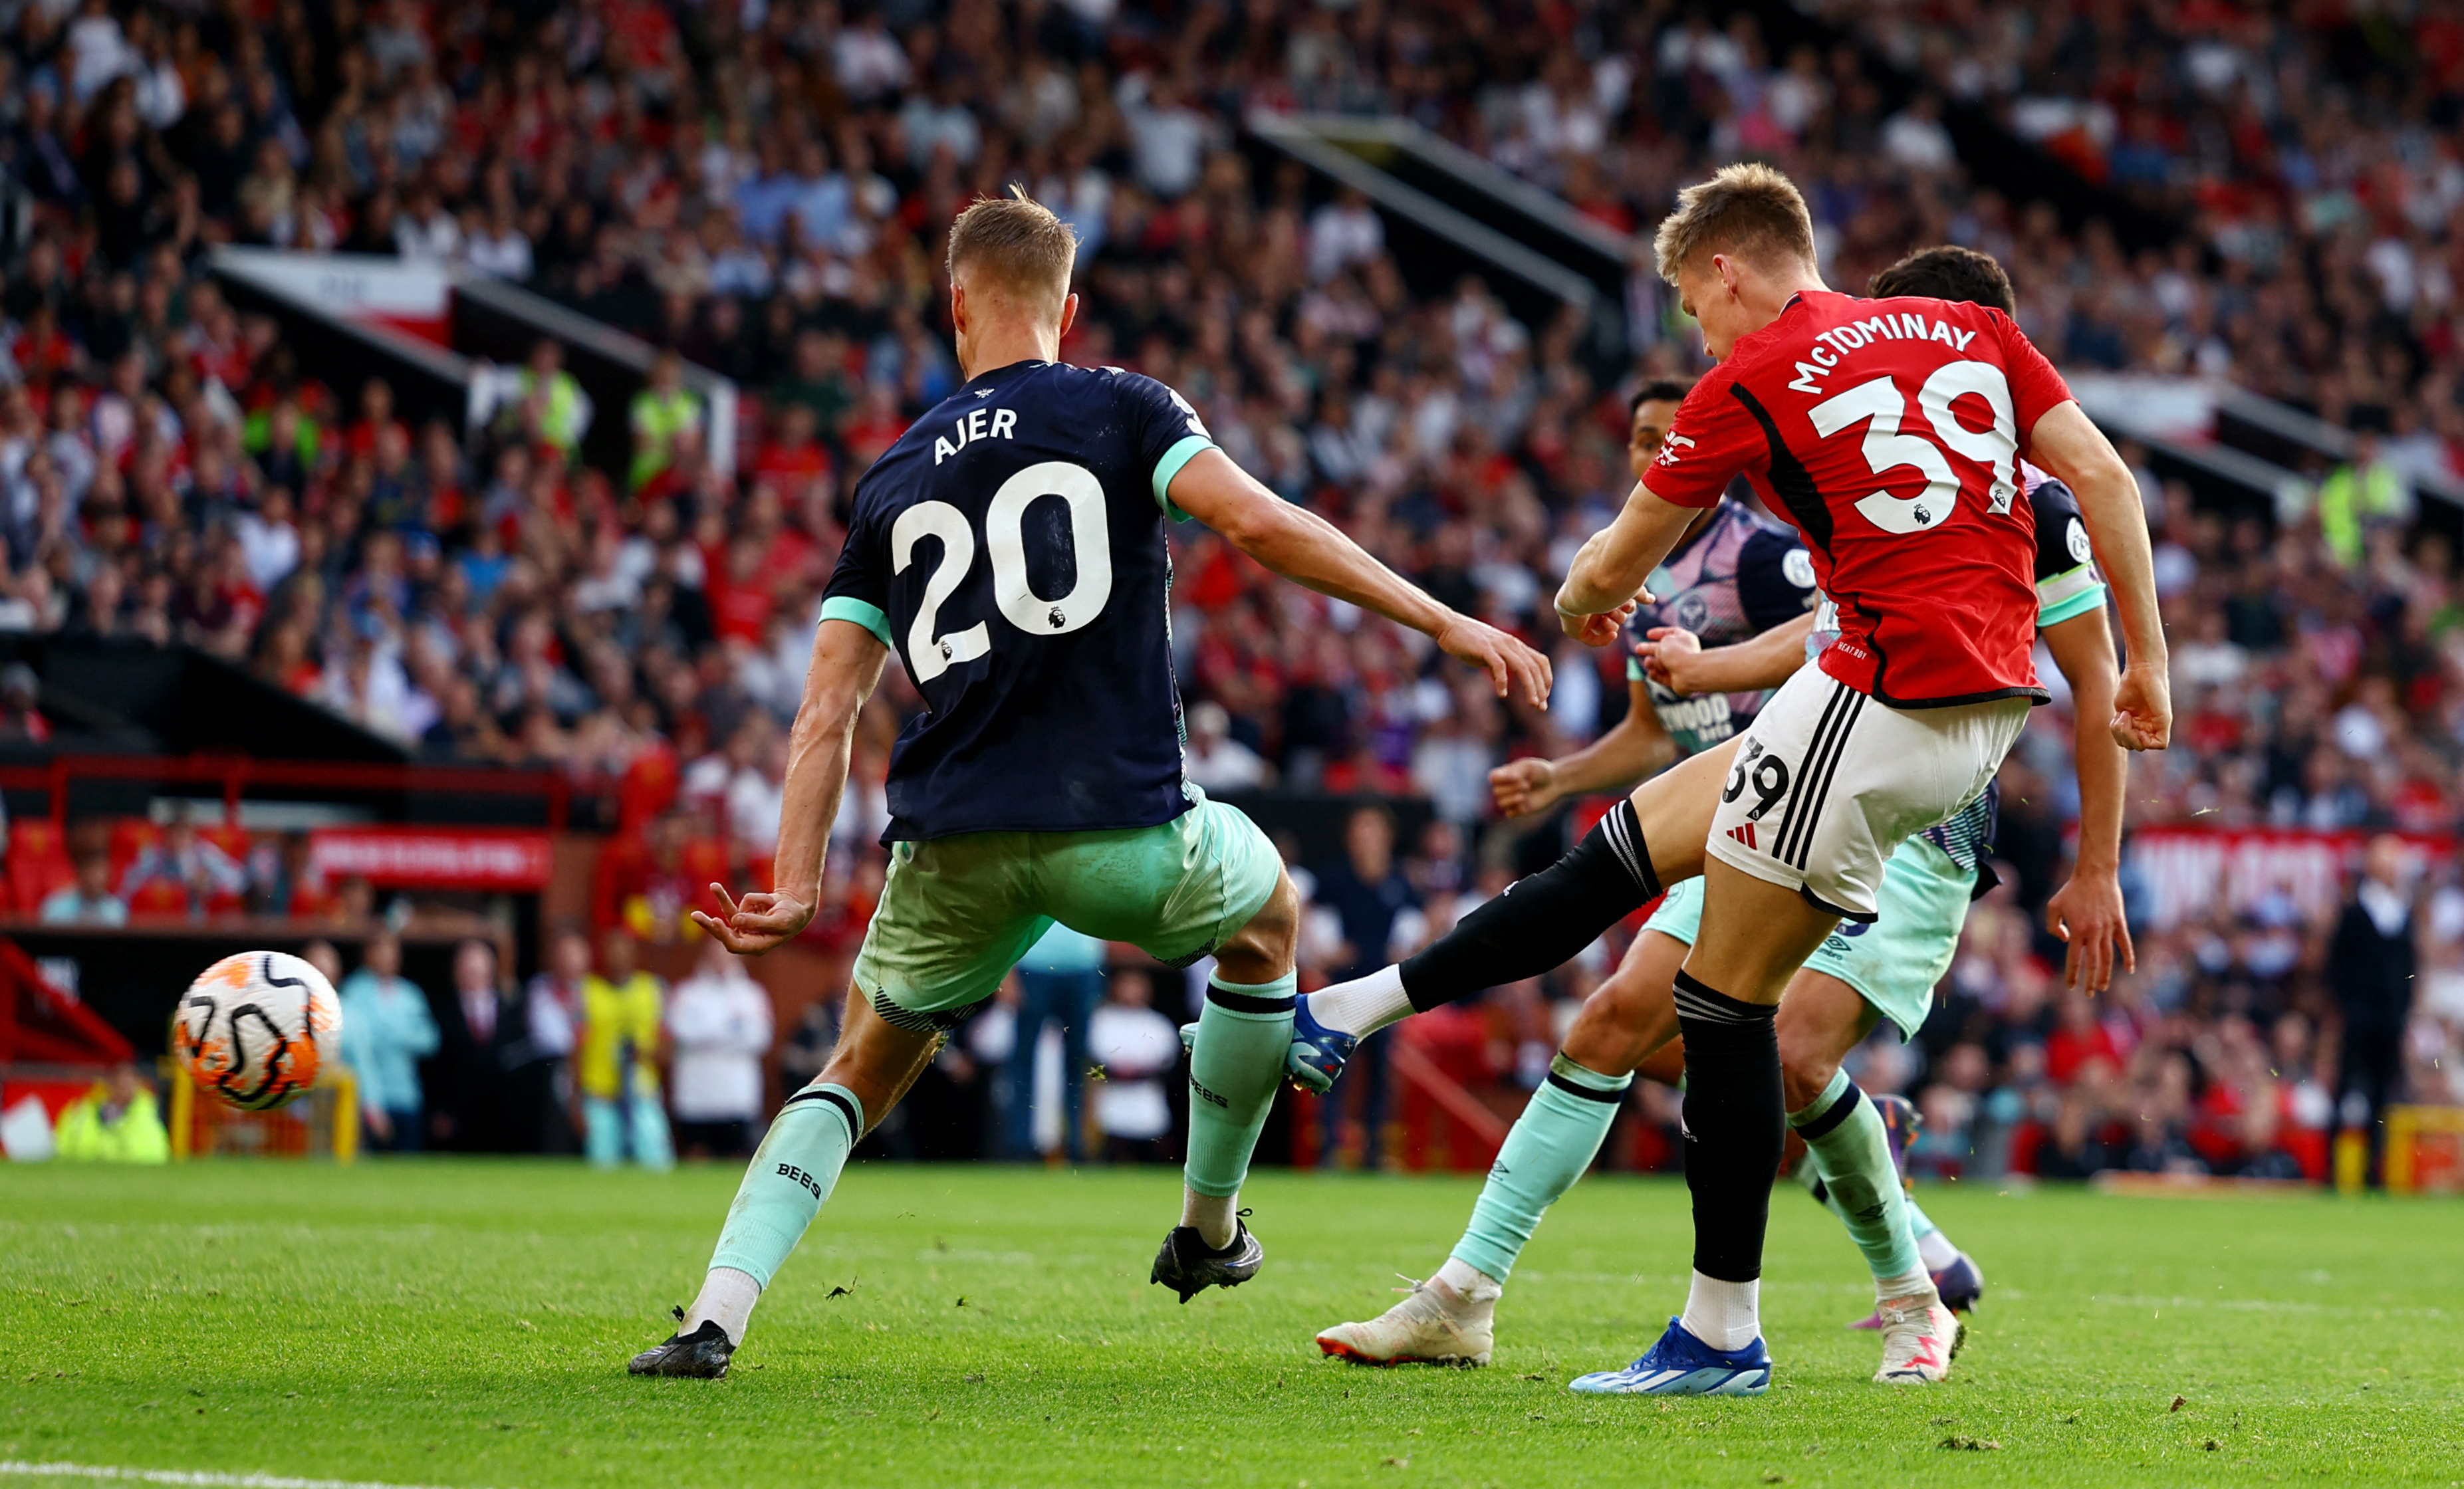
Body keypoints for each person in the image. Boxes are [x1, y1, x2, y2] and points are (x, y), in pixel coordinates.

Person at [627, 189, 1549, 1379]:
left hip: (950, 840)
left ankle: (714, 1317)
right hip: (1121, 828)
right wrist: (1443, 620)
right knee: (1268, 915)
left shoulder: (893, 475)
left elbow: (827, 709)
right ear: (1069, 307)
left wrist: (795, 886)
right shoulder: (1123, 407)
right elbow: (1260, 527)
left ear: (954, 305)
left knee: (857, 1066)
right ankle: (1209, 1229)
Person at [1285, 168, 2171, 1397]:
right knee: (1626, 871)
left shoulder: (1767, 381)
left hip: (1900, 726)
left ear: (1725, 273)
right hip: (1870, 696)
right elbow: (2103, 488)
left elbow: (1616, 562)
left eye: (1693, 311)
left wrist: (1579, 602)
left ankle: (1742, 1327)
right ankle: (1362, 1032)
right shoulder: (1970, 343)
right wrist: (2154, 671)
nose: (1696, 338)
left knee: (1730, 1015)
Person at [1308, 805, 1420, 1170]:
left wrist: (1410, 950)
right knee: (1332, 1069)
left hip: (1388, 988)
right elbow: (1307, 913)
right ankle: (1329, 1148)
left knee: (1380, 1071)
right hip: (1345, 986)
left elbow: (1417, 923)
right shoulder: (1335, 877)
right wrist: (1326, 953)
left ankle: (1374, 1151)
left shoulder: (1400, 880)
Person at [2330, 834, 2415, 1187]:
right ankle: (2333, 1170)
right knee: (2348, 1089)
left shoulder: (2401, 913)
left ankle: (2373, 1171)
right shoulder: (2355, 912)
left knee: (2382, 1096)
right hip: (2360, 1015)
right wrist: (2349, 1006)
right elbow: (2338, 966)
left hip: (2389, 1018)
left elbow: (2410, 968)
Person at [1002, 921, 1106, 1161]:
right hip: (1034, 966)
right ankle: (1020, 1146)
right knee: (1023, 1059)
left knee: (1078, 1061)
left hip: (1084, 966)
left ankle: (1078, 1145)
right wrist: (1007, 975)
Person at [666, 936, 774, 1159]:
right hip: (696, 1094)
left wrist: (707, 1032)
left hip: (736, 1094)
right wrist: (730, 1029)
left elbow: (759, 1036)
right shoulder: (688, 993)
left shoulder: (751, 994)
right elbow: (681, 1031)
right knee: (697, 1154)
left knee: (736, 1155)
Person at [337, 929, 440, 1153]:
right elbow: (356, 1044)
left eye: (391, 952)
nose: (387, 957)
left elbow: (430, 1039)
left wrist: (398, 1035)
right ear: (368, 955)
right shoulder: (354, 992)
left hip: (406, 1095)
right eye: (380, 951)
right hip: (367, 1098)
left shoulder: (410, 994)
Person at [580, 927, 674, 1170]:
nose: (617, 956)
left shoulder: (652, 990)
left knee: (654, 1160)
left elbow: (668, 1049)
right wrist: (574, 1099)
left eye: (623, 949)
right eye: (612, 950)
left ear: (634, 954)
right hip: (601, 1093)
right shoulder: (588, 992)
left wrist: (643, 1054)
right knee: (603, 1163)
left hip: (642, 1091)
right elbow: (576, 1049)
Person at [1089, 968, 1181, 1163]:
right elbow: (1092, 1059)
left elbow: (1168, 1062)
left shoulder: (1158, 1023)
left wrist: (1138, 1073)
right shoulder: (1101, 1019)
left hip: (1147, 1098)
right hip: (1111, 1097)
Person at [54, 1062, 170, 1163]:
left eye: (129, 1083)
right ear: (110, 1084)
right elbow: (63, 1146)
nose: (125, 1088)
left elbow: (154, 1152)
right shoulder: (83, 1111)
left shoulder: (148, 1113)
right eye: (121, 1083)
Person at [39, 848, 127, 925]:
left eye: (99, 872)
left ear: (109, 875)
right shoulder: (55, 908)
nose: (94, 879)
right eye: (91, 872)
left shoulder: (116, 912)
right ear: (79, 874)